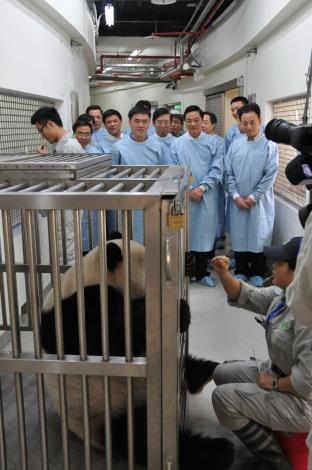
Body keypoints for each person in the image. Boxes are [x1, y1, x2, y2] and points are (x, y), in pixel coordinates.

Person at [210, 236, 311, 470]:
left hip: (303, 401)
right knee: (221, 373)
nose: (273, 266)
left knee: (223, 398)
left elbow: (306, 382)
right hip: (277, 372)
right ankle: (266, 421)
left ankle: (275, 460)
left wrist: (274, 384)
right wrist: (224, 274)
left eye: (280, 263)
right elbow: (247, 295)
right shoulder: (284, 295)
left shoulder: (308, 318)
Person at [168, 105, 223, 287]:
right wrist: (190, 187)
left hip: (207, 196)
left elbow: (217, 167)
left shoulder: (214, 143)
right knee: (186, 235)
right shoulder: (177, 144)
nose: (192, 124)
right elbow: (175, 168)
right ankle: (186, 273)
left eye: (196, 120)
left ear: (203, 121)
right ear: (185, 122)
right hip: (185, 196)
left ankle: (201, 273)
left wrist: (203, 187)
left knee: (204, 235)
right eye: (189, 121)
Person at [225, 103, 278, 287]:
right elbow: (228, 173)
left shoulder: (269, 146)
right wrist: (235, 195)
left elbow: (270, 175)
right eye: (244, 123)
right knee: (239, 236)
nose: (248, 127)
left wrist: (254, 196)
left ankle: (256, 271)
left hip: (260, 202)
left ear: (260, 120)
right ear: (240, 122)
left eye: (252, 122)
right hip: (238, 201)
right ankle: (241, 270)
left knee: (258, 236)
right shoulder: (235, 146)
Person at [112, 105, 167, 243]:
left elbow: (166, 175)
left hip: (152, 202)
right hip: (128, 203)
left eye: (144, 121)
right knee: (129, 242)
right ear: (129, 122)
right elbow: (112, 177)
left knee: (152, 240)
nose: (141, 125)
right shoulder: (118, 147)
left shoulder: (158, 146)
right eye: (137, 121)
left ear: (150, 123)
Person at [202, 112, 226, 249]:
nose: (203, 125)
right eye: (202, 122)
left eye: (206, 122)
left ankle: (218, 237)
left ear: (213, 124)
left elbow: (222, 164)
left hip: (216, 184)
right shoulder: (194, 141)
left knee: (217, 210)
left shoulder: (220, 142)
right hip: (199, 186)